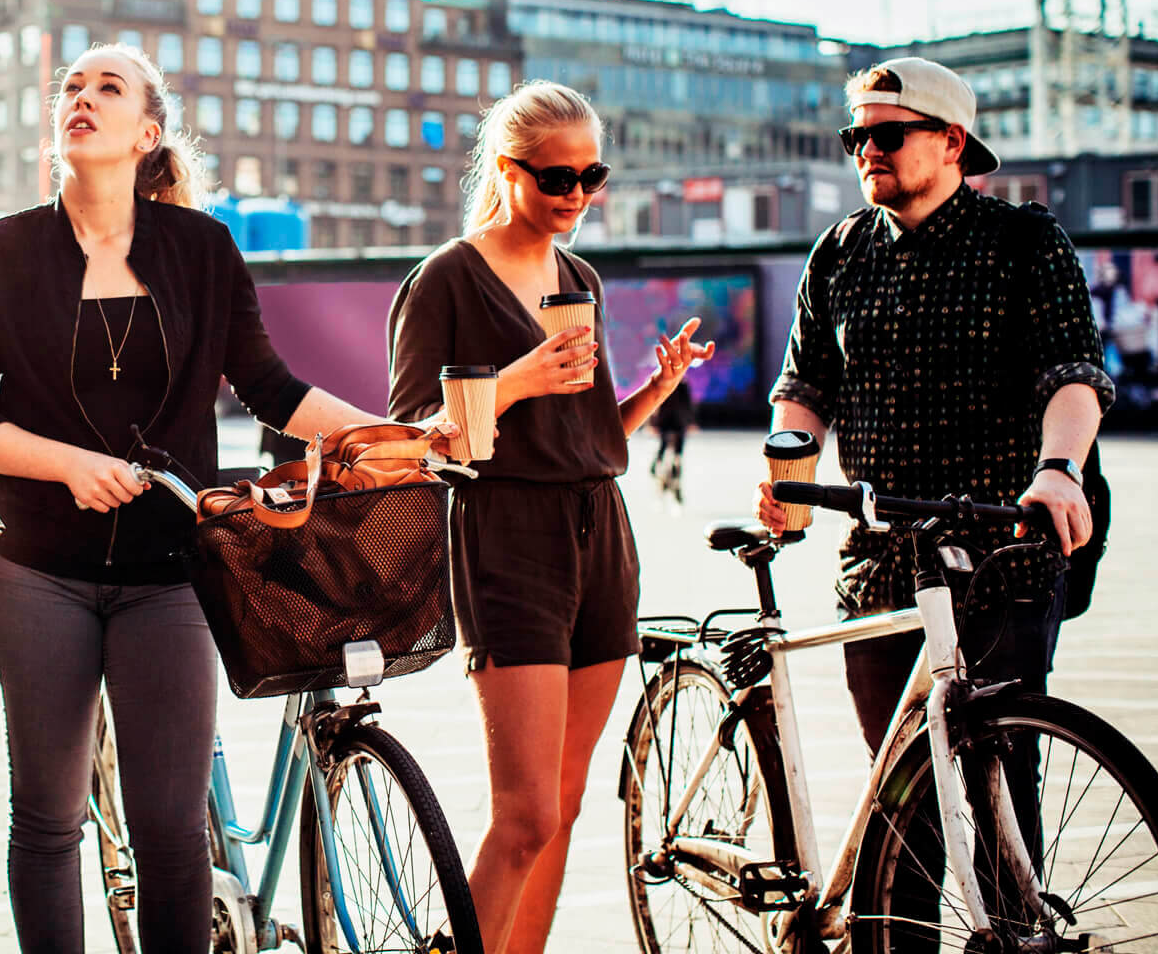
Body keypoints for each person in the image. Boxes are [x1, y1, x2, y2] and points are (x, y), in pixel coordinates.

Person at [0, 42, 451, 954]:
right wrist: (67, 465)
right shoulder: (3, 249)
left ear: (147, 134)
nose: (82, 98)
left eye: (109, 88)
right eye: (72, 87)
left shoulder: (201, 250)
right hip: (38, 575)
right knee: (47, 821)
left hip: (171, 575)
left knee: (171, 833)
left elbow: (270, 387)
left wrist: (392, 436)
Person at [386, 81, 712, 954]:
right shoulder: (447, 279)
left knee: (563, 806)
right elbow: (413, 438)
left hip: (601, 532)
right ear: (507, 170)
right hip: (505, 537)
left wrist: (657, 388)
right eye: (556, 177)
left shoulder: (580, 278)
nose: (576, 194)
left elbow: (589, 435)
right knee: (524, 814)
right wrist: (518, 377)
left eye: (590, 176)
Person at [757, 57, 1112, 755]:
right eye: (855, 137)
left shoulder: (1025, 242)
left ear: (952, 141)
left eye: (887, 136)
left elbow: (1073, 374)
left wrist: (1059, 470)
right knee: (898, 788)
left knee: (1003, 774)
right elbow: (805, 388)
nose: (867, 150)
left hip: (998, 557)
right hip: (878, 561)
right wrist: (787, 478)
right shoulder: (839, 252)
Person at [648, 375, 695, 504]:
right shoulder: (667, 382)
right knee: (666, 449)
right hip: (669, 422)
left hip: (675, 423)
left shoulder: (681, 385)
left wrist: (690, 422)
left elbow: (687, 405)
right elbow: (655, 403)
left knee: (674, 452)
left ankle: (668, 472)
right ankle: (659, 467)